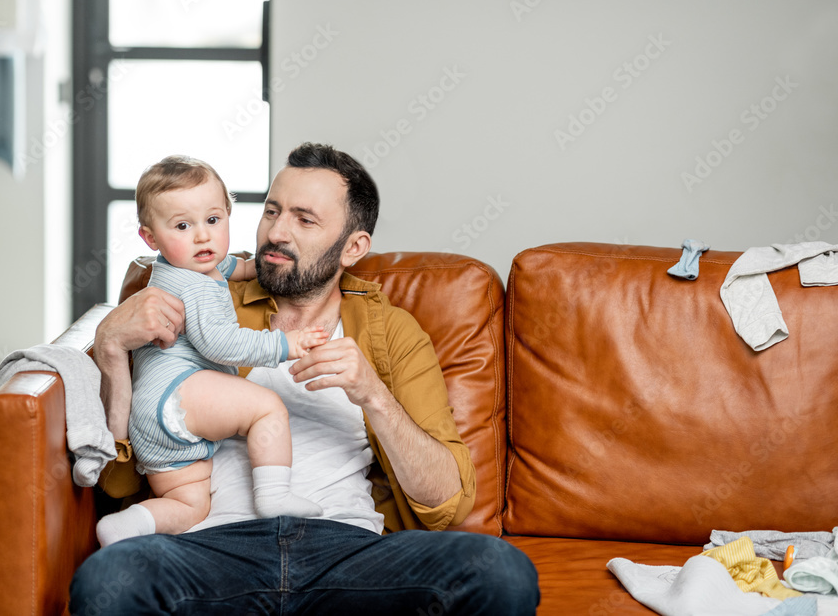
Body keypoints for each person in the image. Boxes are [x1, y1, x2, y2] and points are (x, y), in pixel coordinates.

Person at [71, 143, 539, 614]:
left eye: (304, 219)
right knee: (109, 577)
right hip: (211, 548)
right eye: (271, 211)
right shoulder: (198, 295)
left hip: (346, 552)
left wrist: (373, 394)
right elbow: (117, 483)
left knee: (499, 570)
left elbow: (447, 503)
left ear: (353, 247)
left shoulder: (392, 333)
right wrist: (111, 350)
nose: (276, 232)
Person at [95, 156, 329, 547]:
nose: (203, 237)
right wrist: (285, 344)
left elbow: (229, 268)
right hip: (179, 391)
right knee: (266, 408)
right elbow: (220, 344)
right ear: (150, 238)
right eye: (183, 226)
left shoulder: (182, 267)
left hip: (154, 425)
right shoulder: (195, 287)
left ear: (228, 216)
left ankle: (126, 526)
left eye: (214, 220)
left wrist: (255, 267)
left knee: (189, 505)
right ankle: (273, 494)